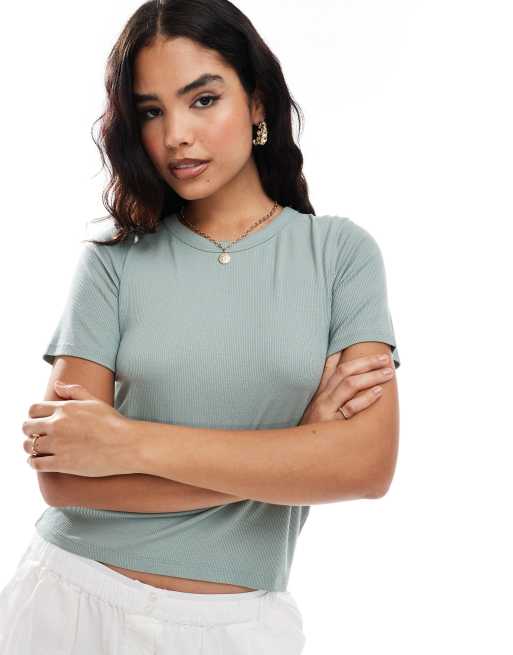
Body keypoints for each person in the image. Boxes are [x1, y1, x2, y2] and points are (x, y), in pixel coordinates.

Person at [0, 0, 401, 652]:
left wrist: (125, 443)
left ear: (258, 102)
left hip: (239, 627)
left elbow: (364, 465)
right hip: (68, 599)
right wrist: (292, 452)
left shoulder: (339, 256)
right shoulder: (112, 263)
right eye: (151, 111)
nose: (175, 136)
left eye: (203, 99)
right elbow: (63, 476)